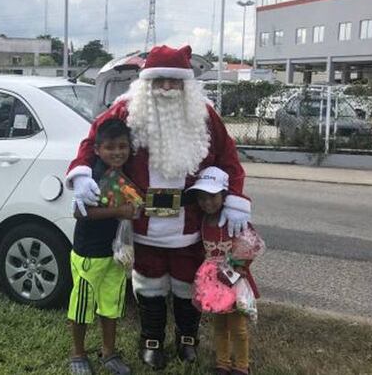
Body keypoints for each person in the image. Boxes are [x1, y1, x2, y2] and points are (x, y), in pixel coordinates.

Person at [66, 45, 251, 369]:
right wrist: (81, 173)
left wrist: (235, 198)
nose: (166, 88)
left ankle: (186, 339)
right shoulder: (127, 109)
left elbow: (229, 157)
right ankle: (151, 341)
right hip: (142, 222)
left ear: (186, 84)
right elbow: (92, 140)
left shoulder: (204, 114)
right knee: (148, 282)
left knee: (186, 283)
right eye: (159, 81)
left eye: (174, 81)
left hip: (191, 225)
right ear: (146, 83)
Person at [67, 118, 135, 375]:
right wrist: (119, 210)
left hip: (114, 253)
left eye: (122, 146)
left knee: (111, 305)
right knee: (82, 306)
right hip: (89, 253)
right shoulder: (91, 174)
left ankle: (109, 352)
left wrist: (133, 210)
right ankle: (78, 353)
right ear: (97, 149)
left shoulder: (124, 174)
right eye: (110, 147)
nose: (117, 152)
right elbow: (79, 212)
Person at [186, 167, 260, 375]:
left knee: (238, 327)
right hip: (213, 284)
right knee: (219, 325)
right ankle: (223, 363)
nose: (207, 202)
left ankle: (242, 366)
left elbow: (252, 246)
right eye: (202, 198)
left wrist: (238, 267)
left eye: (213, 197)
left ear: (224, 195)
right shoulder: (203, 222)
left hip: (234, 281)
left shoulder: (235, 221)